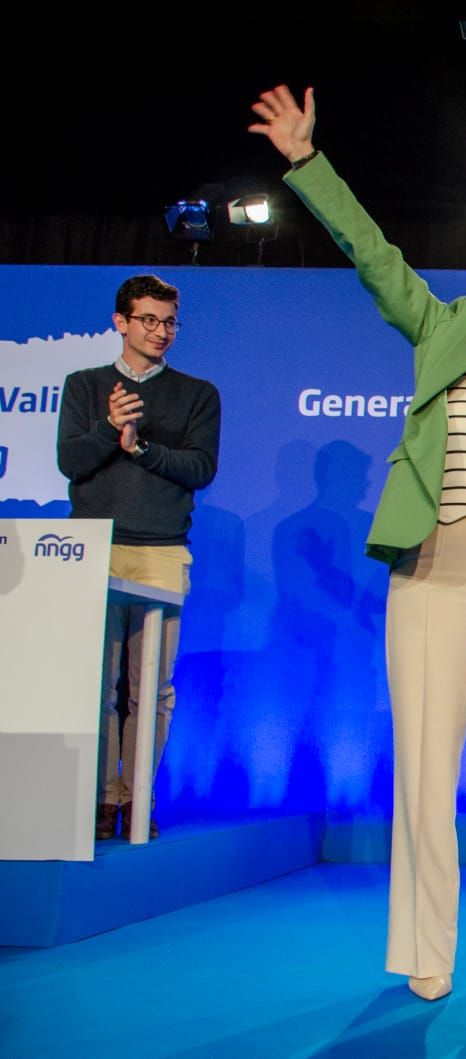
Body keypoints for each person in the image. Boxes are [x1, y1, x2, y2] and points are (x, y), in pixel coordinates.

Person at [249, 85, 466, 1002]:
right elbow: (373, 253)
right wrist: (304, 162)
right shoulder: (444, 328)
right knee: (427, 766)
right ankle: (426, 950)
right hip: (438, 560)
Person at [56, 274, 221, 842]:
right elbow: (70, 463)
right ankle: (102, 799)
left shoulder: (197, 393)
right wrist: (110, 428)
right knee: (96, 686)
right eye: (149, 320)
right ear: (120, 322)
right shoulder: (84, 385)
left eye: (169, 321)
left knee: (151, 688)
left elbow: (200, 469)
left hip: (161, 550)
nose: (161, 332)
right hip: (93, 549)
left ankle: (138, 798)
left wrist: (142, 447)